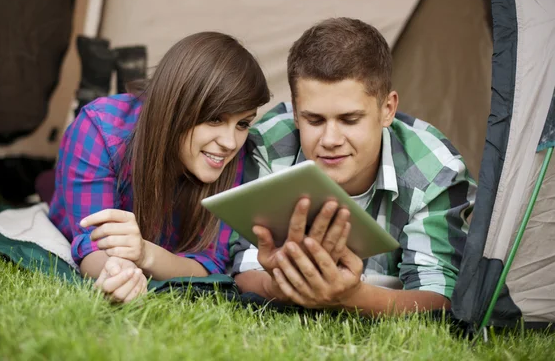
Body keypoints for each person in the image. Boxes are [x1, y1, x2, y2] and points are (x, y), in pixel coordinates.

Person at [231, 18, 477, 315]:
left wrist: (351, 296)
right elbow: (244, 264)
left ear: (387, 109)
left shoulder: (435, 168)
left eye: (349, 120)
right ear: (295, 114)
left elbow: (437, 297)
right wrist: (275, 288)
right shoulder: (268, 143)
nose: (330, 140)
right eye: (314, 120)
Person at [49, 32, 271, 302]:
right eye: (214, 119)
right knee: (44, 182)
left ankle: (106, 82)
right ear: (176, 106)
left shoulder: (235, 157)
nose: (229, 142)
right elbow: (93, 245)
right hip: (85, 175)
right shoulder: (98, 131)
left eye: (243, 124)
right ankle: (92, 89)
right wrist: (119, 272)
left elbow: (209, 265)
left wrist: (145, 254)